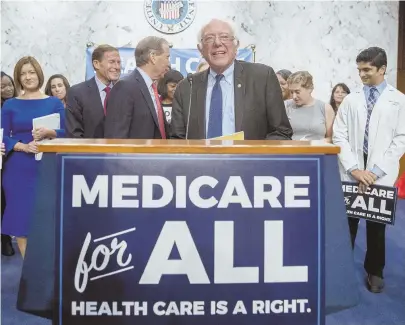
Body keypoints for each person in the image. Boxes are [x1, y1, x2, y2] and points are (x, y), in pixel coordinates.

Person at [333, 47, 405, 293]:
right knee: (347, 223)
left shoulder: (399, 101)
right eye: (359, 69)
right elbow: (339, 135)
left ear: (382, 69)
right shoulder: (351, 100)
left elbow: (401, 139)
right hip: (352, 172)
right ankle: (341, 268)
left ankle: (375, 271)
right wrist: (354, 169)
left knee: (376, 226)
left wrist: (374, 171)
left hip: (380, 175)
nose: (361, 74)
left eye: (367, 69)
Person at [170, 19, 292, 140]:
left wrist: (255, 156)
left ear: (236, 44)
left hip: (250, 159)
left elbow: (281, 133)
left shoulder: (262, 78)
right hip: (201, 159)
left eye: (224, 37)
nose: (217, 43)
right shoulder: (187, 88)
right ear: (200, 49)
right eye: (209, 38)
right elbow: (177, 140)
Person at [1, 56, 65, 258]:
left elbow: (67, 133)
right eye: (23, 73)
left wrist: (50, 132)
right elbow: (2, 135)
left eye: (31, 72)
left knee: (46, 220)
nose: (27, 77)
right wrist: (22, 146)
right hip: (17, 170)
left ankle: (45, 270)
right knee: (21, 220)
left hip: (47, 167)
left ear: (38, 73)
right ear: (18, 78)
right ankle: (29, 274)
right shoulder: (10, 105)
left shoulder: (54, 103)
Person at [104, 36, 170, 139]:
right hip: (135, 155)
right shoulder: (124, 87)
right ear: (153, 57)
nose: (168, 63)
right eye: (167, 57)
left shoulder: (152, 88)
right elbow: (116, 137)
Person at [65, 44, 121, 138]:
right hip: (89, 152)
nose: (117, 67)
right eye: (111, 62)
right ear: (96, 64)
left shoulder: (126, 91)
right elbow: (74, 134)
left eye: (119, 62)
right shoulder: (77, 93)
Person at [285, 71, 335, 142]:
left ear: (310, 89)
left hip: (317, 151)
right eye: (291, 92)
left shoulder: (325, 108)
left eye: (297, 92)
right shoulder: (286, 106)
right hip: (291, 151)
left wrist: (312, 143)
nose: (294, 96)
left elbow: (331, 138)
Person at [1, 71, 17, 256]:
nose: (7, 89)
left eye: (9, 84)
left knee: (6, 201)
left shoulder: (17, 104)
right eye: (2, 86)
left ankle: (5, 239)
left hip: (12, 159)